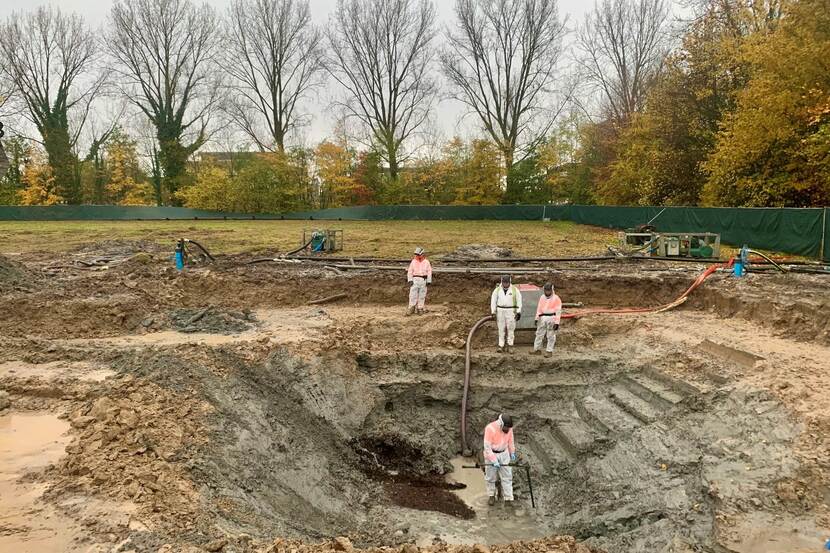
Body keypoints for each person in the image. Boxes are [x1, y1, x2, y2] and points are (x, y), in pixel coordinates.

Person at [483, 413, 517, 506]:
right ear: (501, 424)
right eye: (506, 428)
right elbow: (487, 447)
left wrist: (512, 452)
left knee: (507, 477)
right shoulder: (490, 429)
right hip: (492, 453)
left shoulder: (509, 429)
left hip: (504, 454)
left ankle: (508, 499)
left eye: (509, 428)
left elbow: (511, 441)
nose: (507, 430)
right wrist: (494, 460)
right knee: (490, 477)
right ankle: (491, 495)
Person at [490, 275, 522, 353]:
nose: (505, 284)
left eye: (507, 282)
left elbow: (519, 301)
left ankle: (510, 345)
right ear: (502, 282)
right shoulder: (497, 290)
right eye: (504, 282)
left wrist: (518, 312)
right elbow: (493, 301)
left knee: (510, 328)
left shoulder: (515, 290)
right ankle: (501, 345)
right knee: (501, 328)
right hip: (500, 310)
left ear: (509, 282)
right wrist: (493, 311)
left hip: (511, 310)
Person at [533, 282, 562, 357]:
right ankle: (537, 349)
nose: (547, 292)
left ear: (552, 290)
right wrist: (536, 318)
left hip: (551, 317)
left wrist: (557, 322)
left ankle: (549, 351)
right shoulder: (542, 297)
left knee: (550, 335)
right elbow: (539, 308)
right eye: (546, 290)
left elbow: (558, 311)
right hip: (542, 317)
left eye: (548, 290)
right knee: (539, 334)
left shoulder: (556, 298)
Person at [406, 247, 432, 315]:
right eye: (416, 255)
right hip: (415, 280)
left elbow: (429, 271)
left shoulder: (427, 262)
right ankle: (411, 307)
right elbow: (410, 271)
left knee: (422, 295)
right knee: (412, 294)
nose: (417, 256)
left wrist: (429, 280)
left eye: (418, 255)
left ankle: (420, 308)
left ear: (422, 254)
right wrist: (410, 280)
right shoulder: (413, 261)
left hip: (423, 280)